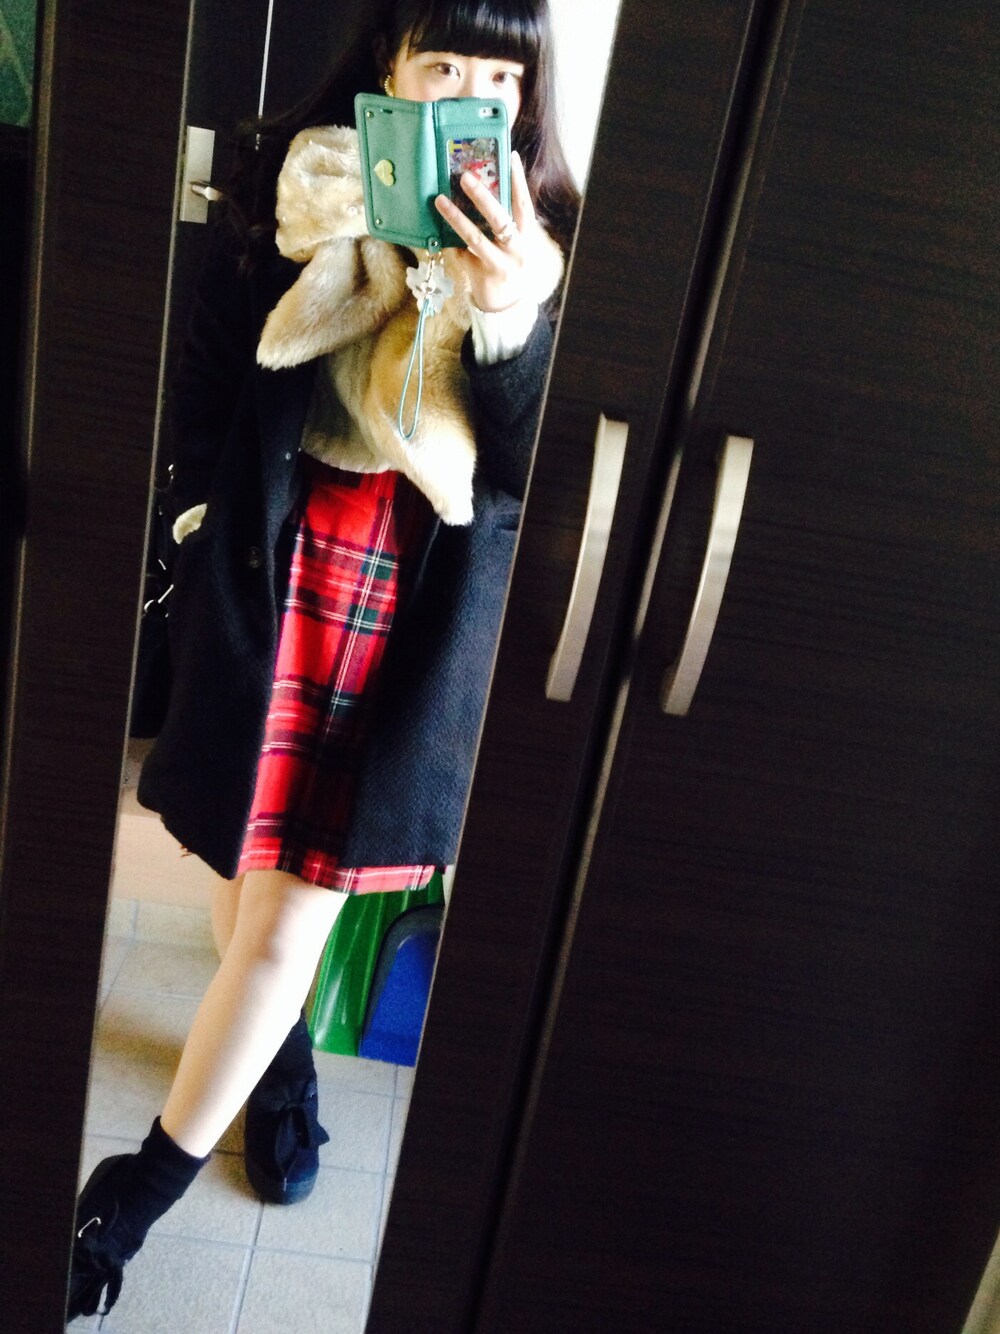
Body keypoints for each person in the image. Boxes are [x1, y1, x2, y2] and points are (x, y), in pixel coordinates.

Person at [67, 0, 579, 1320]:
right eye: (442, 62)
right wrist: (193, 525)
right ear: (389, 63)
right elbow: (205, 382)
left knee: (290, 914)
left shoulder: (549, 241)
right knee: (245, 863)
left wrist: (509, 315)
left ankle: (130, 1202)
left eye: (499, 75)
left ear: (527, 97)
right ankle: (278, 1057)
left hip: (406, 597)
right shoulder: (294, 185)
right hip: (270, 560)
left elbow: (535, 476)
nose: (468, 95)